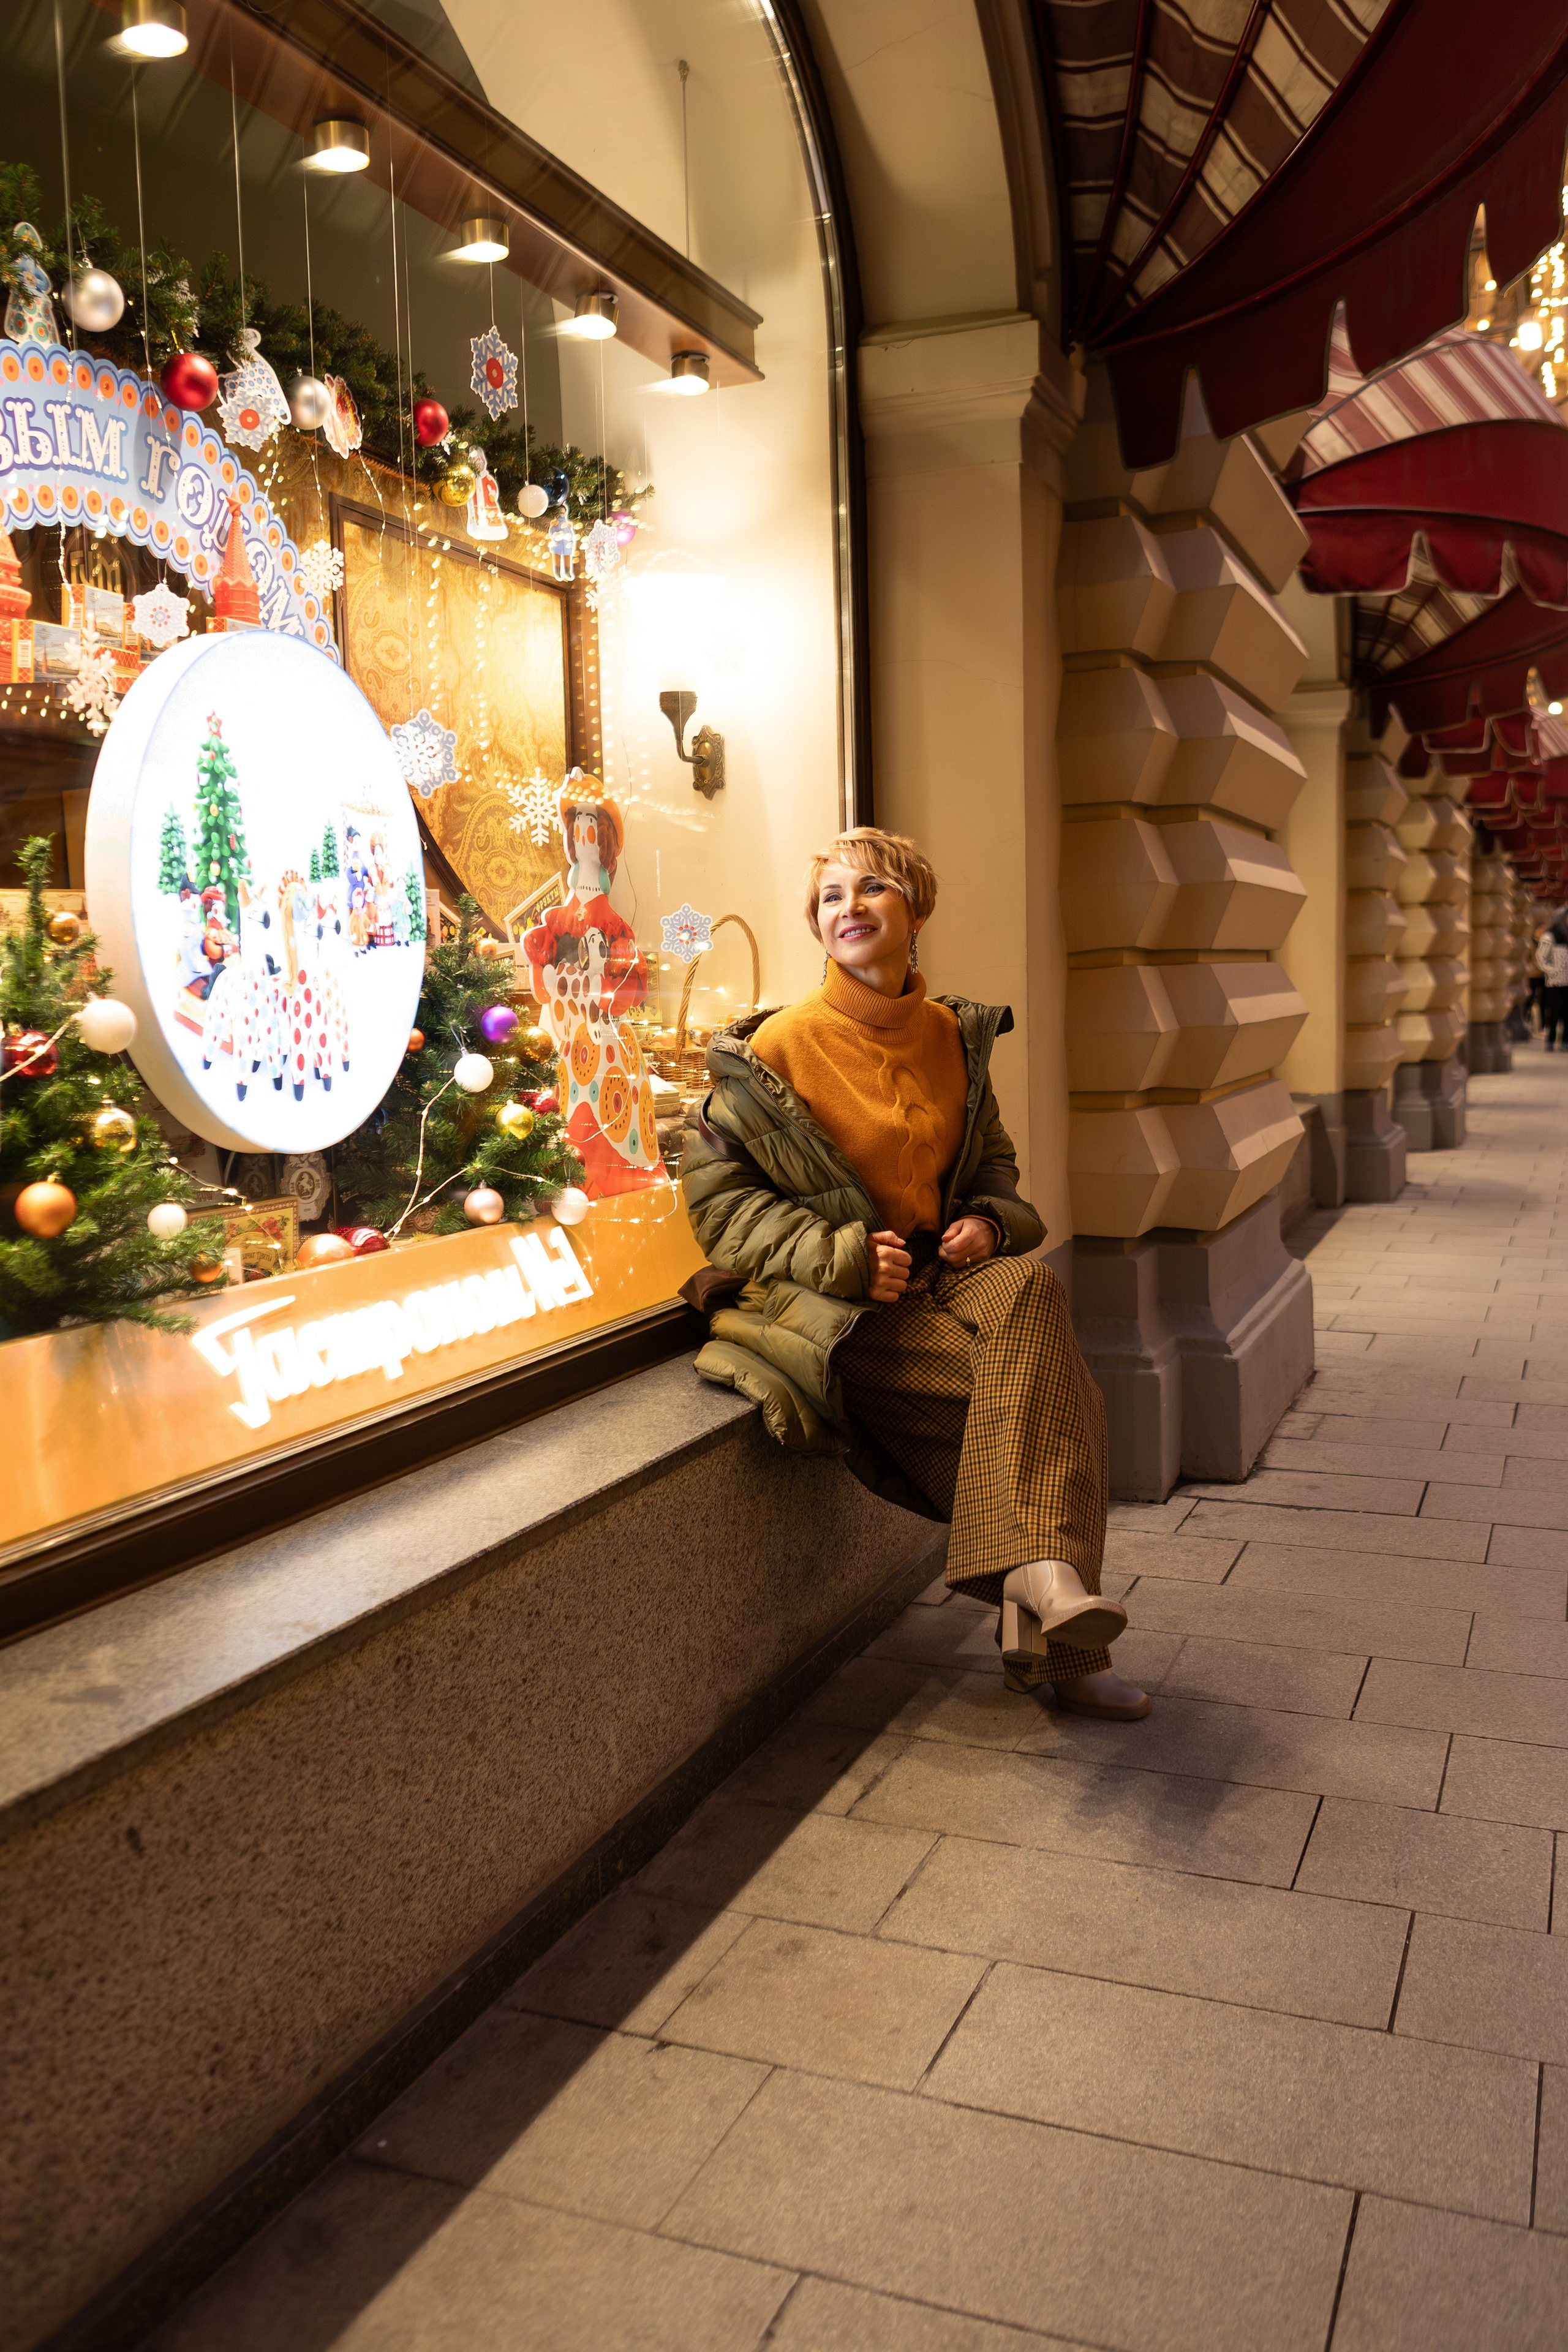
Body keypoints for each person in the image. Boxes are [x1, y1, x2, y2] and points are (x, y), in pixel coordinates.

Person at [679, 826, 1148, 1721]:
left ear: (917, 910)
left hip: (949, 1280)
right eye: (830, 898)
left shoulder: (954, 1038)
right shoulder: (776, 1048)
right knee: (1063, 1402)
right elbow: (718, 1208)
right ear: (815, 926)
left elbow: (996, 1174)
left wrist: (986, 1221)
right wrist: (843, 1254)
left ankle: (1042, 1595)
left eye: (872, 890)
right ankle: (1056, 1634)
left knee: (1029, 1284)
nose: (847, 908)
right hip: (842, 1311)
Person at [1538, 917, 1568, 1050]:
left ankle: (1566, 1041)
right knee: (1554, 1011)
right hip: (1555, 982)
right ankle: (1551, 1040)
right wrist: (1551, 971)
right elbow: (1541, 956)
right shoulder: (1550, 936)